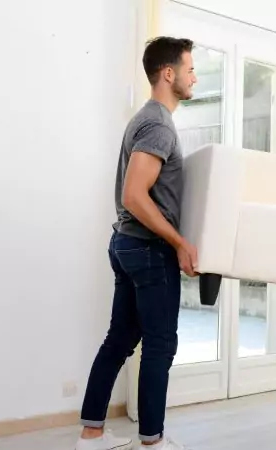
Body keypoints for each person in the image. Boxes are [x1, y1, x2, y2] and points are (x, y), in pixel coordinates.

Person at [75, 36, 199, 450]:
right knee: (160, 344)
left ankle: (92, 434)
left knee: (121, 338)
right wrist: (179, 241)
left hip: (128, 245)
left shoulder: (147, 119)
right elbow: (134, 195)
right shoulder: (159, 124)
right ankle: (153, 442)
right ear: (169, 74)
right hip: (147, 249)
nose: (194, 75)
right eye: (190, 68)